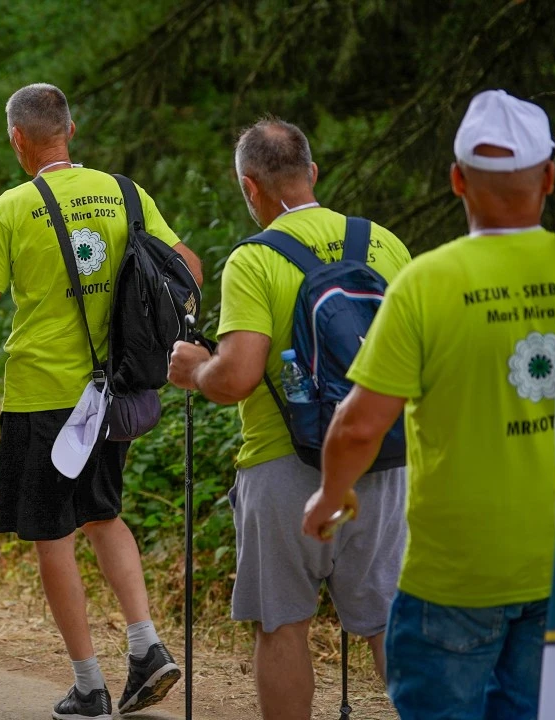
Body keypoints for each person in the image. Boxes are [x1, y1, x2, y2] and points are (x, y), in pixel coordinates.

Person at [302, 90, 555, 719]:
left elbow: (361, 423)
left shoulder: (426, 282)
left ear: (456, 180)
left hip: (454, 577)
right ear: (550, 178)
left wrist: (332, 492)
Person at [0, 83, 203, 720]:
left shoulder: (11, 209)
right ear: (72, 128)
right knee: (103, 514)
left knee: (52, 533)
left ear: (17, 139)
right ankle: (145, 647)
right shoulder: (126, 193)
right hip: (113, 390)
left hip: (44, 396)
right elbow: (187, 267)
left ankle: (89, 685)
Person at [167, 119, 410, 720]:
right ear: (313, 174)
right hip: (381, 460)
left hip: (284, 466)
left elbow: (240, 375)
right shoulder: (383, 243)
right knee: (391, 626)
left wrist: (196, 369)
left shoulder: (255, 260)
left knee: (282, 626)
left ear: (251, 188)